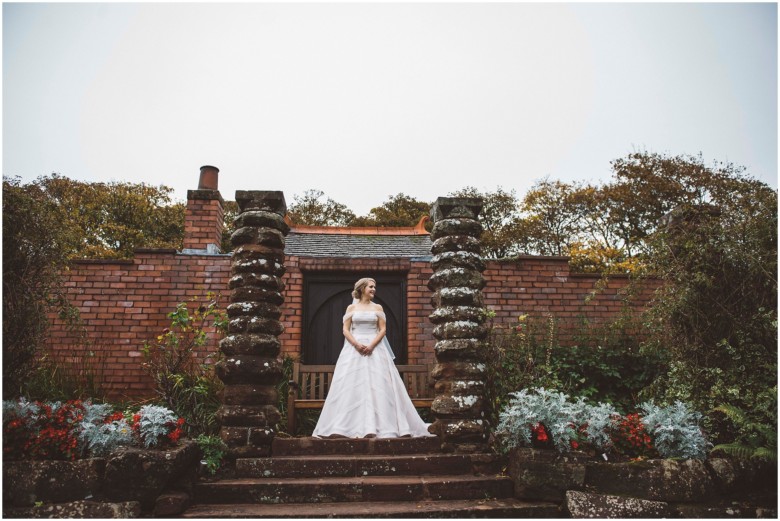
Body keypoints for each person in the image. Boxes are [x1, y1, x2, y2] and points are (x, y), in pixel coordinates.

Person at [312, 277, 434, 438]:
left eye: (374, 287)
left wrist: (371, 346)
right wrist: (356, 344)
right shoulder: (351, 308)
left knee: (379, 385)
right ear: (362, 288)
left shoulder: (378, 307)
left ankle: (383, 426)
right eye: (370, 286)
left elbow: (382, 330)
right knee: (350, 385)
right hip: (353, 349)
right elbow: (346, 330)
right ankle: (344, 427)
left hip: (375, 348)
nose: (374, 289)